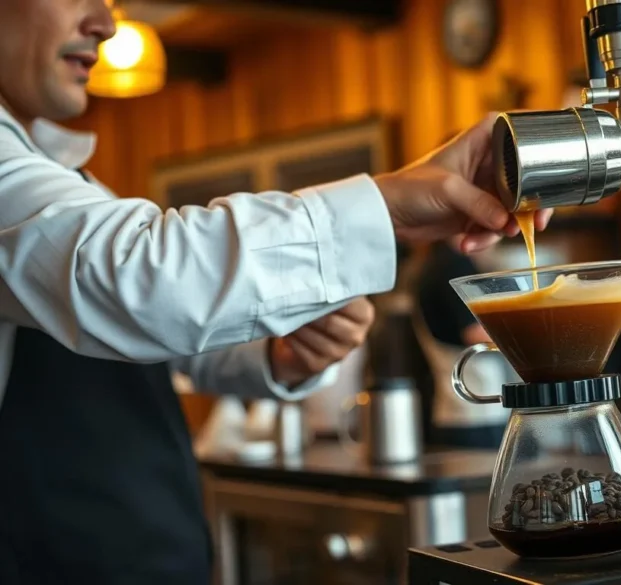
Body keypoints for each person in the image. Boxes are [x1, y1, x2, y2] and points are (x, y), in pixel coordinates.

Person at [0, 1, 552, 583]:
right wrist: (384, 206)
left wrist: (277, 353)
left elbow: (161, 339)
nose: (105, 24)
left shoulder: (60, 174)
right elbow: (140, 278)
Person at [414, 237, 515, 449]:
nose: (496, 239)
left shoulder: (433, 263)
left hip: (457, 411)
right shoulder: (454, 266)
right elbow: (475, 333)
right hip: (476, 412)